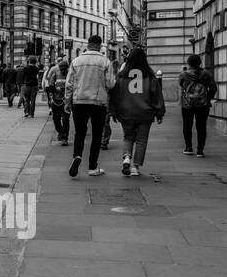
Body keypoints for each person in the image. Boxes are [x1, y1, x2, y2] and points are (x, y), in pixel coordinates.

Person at [110, 47, 166, 177]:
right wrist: (160, 112)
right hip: (145, 113)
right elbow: (156, 95)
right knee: (141, 140)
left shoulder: (121, 76)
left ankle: (126, 157)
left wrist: (113, 111)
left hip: (126, 112)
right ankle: (135, 167)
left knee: (128, 137)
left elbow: (115, 95)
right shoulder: (150, 76)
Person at [65, 35, 115, 177]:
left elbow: (69, 84)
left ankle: (77, 156)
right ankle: (93, 167)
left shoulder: (76, 61)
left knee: (79, 132)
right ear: (99, 45)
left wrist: (68, 102)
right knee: (97, 134)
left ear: (88, 44)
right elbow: (110, 83)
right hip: (98, 102)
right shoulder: (105, 62)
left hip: (79, 101)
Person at [178, 54, 217, 157]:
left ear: (189, 63)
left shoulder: (184, 74)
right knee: (201, 127)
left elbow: (181, 85)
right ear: (200, 63)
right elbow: (213, 88)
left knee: (187, 125)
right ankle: (200, 150)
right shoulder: (206, 74)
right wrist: (207, 98)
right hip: (203, 104)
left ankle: (188, 147)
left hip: (187, 104)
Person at [45, 59, 70, 145]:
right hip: (56, 101)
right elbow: (50, 87)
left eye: (64, 68)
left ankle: (64, 138)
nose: (63, 70)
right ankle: (60, 131)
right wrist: (56, 89)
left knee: (66, 119)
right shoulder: (55, 75)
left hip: (66, 101)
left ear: (67, 68)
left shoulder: (70, 75)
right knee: (56, 119)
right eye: (61, 68)